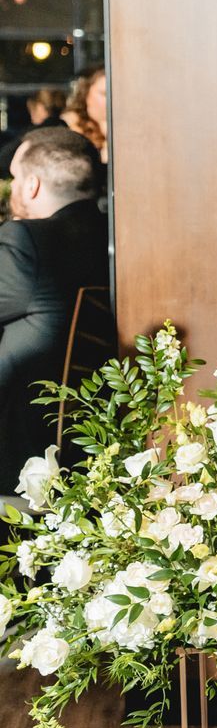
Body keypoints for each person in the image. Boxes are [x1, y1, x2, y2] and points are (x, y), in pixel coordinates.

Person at [0, 127, 109, 491]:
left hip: (19, 445)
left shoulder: (27, 240)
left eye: (14, 178)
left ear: (31, 185)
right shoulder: (113, 235)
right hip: (95, 436)